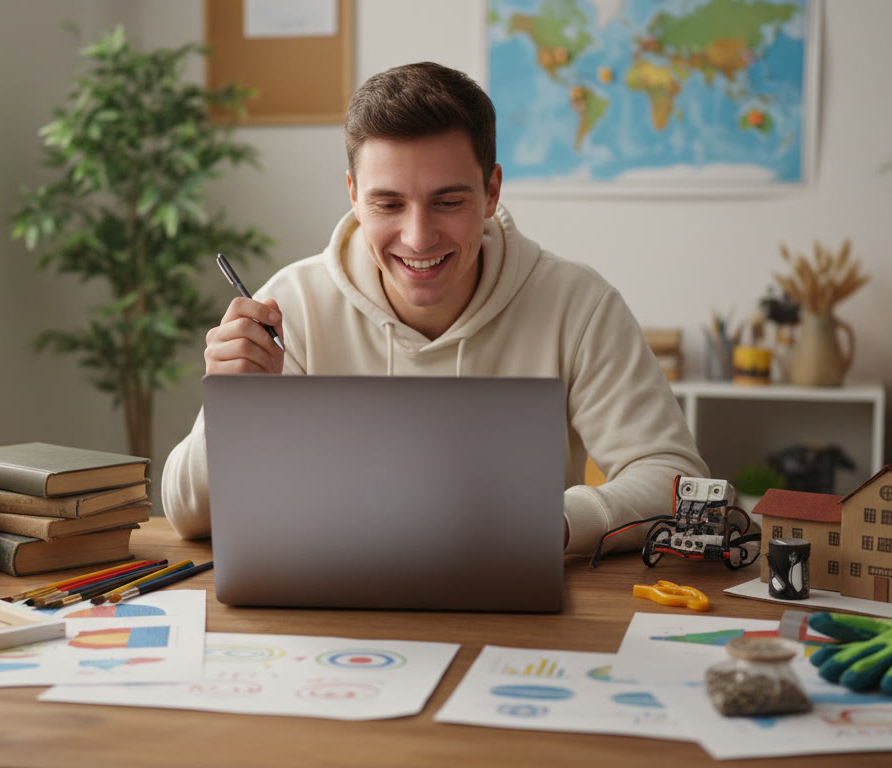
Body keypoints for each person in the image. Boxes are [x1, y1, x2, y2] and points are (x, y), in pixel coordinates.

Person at [161, 61, 706, 555]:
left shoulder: (579, 304)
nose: (418, 238)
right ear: (353, 194)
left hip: (513, 624)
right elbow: (188, 517)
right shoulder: (291, 305)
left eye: (448, 202)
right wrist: (234, 405)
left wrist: (556, 521)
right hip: (330, 619)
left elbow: (672, 478)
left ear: (492, 192)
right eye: (388, 203)